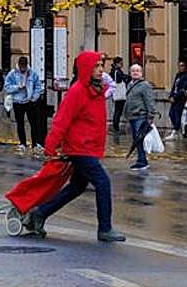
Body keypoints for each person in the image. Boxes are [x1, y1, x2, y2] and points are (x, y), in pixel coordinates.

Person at [19, 50, 126, 242]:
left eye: (101, 66)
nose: (101, 70)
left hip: (89, 147)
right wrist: (50, 146)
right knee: (103, 182)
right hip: (80, 148)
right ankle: (105, 228)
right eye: (96, 66)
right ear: (86, 68)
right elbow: (61, 120)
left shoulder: (96, 90)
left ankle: (39, 214)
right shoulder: (77, 91)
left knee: (77, 186)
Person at [4, 55, 44, 153]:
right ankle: (22, 143)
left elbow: (38, 86)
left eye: (24, 67)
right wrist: (17, 87)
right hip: (18, 102)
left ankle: (35, 143)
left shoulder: (32, 74)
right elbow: (7, 87)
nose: (23, 69)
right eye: (21, 67)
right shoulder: (12, 74)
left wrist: (34, 98)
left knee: (33, 123)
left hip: (29, 101)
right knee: (20, 123)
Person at [124, 64, 155, 170]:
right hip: (132, 116)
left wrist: (151, 115)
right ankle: (141, 159)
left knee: (139, 139)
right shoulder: (130, 84)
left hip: (141, 116)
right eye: (133, 71)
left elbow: (149, 100)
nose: (135, 72)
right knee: (136, 139)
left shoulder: (145, 85)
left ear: (141, 73)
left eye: (137, 71)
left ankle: (142, 161)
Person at [169, 60, 187, 137]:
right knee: (171, 114)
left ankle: (176, 130)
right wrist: (171, 96)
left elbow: (183, 89)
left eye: (182, 66)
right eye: (179, 66)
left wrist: (175, 97)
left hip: (180, 99)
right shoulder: (178, 75)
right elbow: (174, 86)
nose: (180, 67)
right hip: (174, 98)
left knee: (177, 114)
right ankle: (176, 129)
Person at [109, 56, 129, 133]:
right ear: (117, 64)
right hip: (119, 94)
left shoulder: (114, 70)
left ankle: (115, 126)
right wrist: (127, 78)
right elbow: (119, 80)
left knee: (117, 110)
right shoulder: (117, 71)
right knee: (118, 111)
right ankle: (116, 127)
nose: (122, 64)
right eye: (121, 63)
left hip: (116, 93)